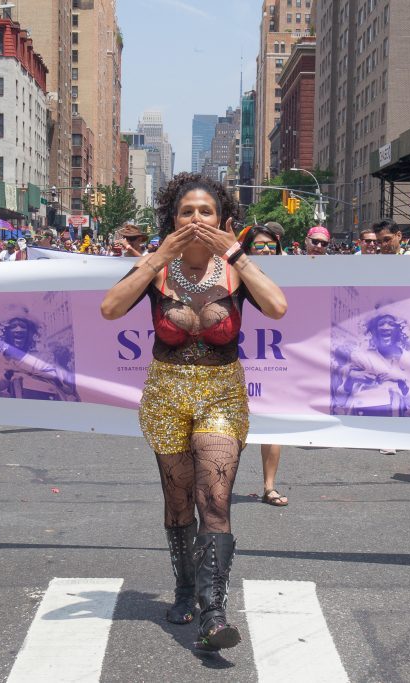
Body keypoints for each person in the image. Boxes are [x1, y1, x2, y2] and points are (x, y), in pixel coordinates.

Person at [100, 172, 286, 651]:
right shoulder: (157, 269)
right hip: (166, 396)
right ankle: (185, 588)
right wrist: (155, 258)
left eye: (206, 212)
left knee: (215, 501)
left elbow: (278, 307)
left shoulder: (235, 267)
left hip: (222, 395)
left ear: (221, 219)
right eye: (187, 212)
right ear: (173, 219)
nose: (197, 219)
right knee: (179, 502)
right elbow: (110, 309)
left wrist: (237, 254)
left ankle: (214, 611)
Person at [241, 222, 288, 507]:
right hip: (238, 354)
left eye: (272, 246)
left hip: (275, 355)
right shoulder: (231, 272)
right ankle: (219, 481)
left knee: (273, 422)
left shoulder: (292, 273)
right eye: (260, 245)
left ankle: (269, 487)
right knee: (234, 427)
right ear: (248, 249)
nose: (267, 250)